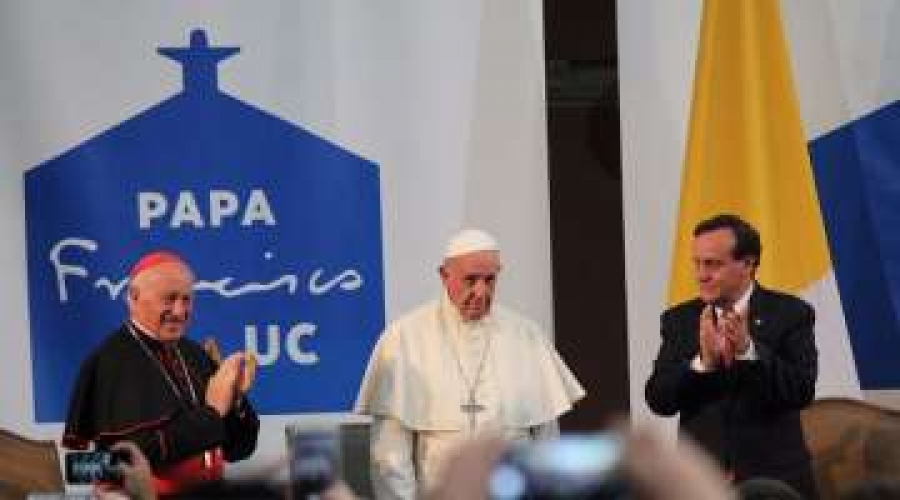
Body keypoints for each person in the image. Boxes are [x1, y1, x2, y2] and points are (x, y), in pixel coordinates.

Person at [355, 228, 585, 499]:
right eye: (470, 280)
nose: (481, 291)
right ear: (444, 275)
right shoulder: (405, 337)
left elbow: (547, 442)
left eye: (490, 280)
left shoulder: (525, 335)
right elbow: (390, 455)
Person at [645, 214, 819, 499]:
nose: (701, 274)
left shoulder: (790, 313)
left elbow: (801, 391)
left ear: (748, 264)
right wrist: (701, 364)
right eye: (697, 263)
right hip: (699, 484)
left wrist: (748, 351)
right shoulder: (680, 320)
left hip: (775, 484)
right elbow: (658, 399)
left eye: (712, 264)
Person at [63, 251, 260, 496]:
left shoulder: (193, 353)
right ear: (134, 298)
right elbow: (91, 466)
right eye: (169, 299)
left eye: (186, 300)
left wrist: (236, 400)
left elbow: (239, 451)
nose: (179, 311)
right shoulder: (110, 361)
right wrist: (212, 414)